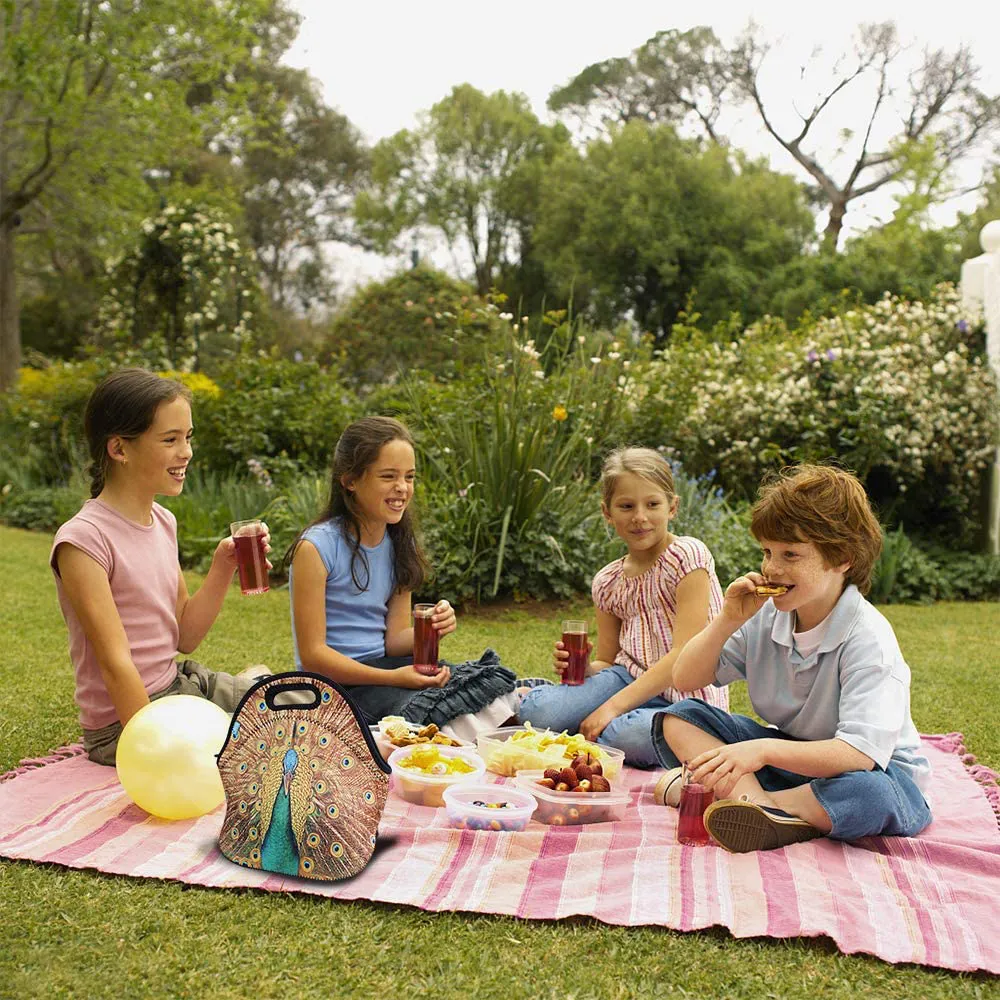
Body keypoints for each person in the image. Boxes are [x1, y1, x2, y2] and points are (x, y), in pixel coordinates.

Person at [656, 464, 932, 853]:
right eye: (767, 551)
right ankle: (764, 810)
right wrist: (727, 620)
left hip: (876, 772)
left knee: (868, 794)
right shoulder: (768, 613)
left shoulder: (869, 639)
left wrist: (761, 751)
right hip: (792, 759)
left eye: (790, 554)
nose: (771, 567)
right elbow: (685, 678)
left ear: (842, 558)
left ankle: (747, 803)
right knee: (682, 716)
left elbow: (858, 754)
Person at [51, 368, 272, 766]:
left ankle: (247, 689)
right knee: (258, 751)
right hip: (125, 724)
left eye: (188, 438)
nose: (185, 451)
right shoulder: (83, 541)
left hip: (178, 686)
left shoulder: (163, 521)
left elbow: (184, 634)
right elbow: (116, 663)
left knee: (291, 704)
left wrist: (223, 565)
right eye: (170, 440)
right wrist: (152, 754)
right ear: (119, 449)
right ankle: (240, 695)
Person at [286, 416, 518, 742]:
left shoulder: (397, 542)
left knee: (492, 694)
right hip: (335, 687)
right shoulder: (316, 548)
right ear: (350, 480)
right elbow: (314, 656)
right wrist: (393, 676)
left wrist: (433, 628)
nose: (402, 488)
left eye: (409, 477)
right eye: (388, 476)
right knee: (444, 719)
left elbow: (394, 640)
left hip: (388, 668)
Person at [518, 447, 728, 767]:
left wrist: (610, 708)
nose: (640, 517)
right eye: (626, 506)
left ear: (672, 507)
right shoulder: (608, 581)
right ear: (607, 512)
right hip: (625, 681)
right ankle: (590, 726)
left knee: (627, 736)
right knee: (538, 711)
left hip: (686, 695)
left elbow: (685, 654)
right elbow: (608, 660)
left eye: (652, 504)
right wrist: (586, 669)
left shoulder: (687, 557)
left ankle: (602, 729)